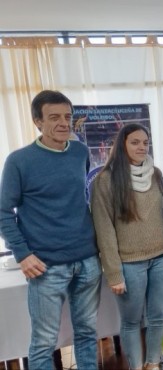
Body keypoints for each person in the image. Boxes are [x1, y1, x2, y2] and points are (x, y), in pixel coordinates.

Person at [0, 90, 101, 370]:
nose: (63, 123)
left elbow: (83, 198)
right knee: (44, 342)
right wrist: (22, 254)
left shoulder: (80, 152)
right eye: (54, 117)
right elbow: (3, 212)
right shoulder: (19, 161)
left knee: (87, 334)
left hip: (87, 261)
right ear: (37, 122)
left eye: (67, 117)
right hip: (46, 266)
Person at [90, 123, 163, 370]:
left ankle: (152, 363)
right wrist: (114, 273)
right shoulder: (104, 181)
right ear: (122, 145)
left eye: (145, 142)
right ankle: (136, 366)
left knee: (159, 317)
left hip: (162, 259)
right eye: (135, 142)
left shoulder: (156, 174)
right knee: (131, 322)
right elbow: (104, 230)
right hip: (129, 264)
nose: (141, 147)